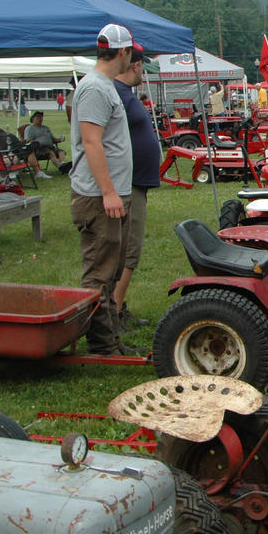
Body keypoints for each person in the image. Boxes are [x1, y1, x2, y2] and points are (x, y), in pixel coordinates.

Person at [69, 23, 136, 356]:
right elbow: (91, 141)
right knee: (99, 273)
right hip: (98, 198)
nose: (132, 59)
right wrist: (108, 192)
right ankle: (100, 345)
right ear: (122, 52)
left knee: (111, 270)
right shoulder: (94, 88)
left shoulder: (104, 85)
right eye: (131, 53)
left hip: (111, 195)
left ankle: (109, 341)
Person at [112, 44, 161, 333]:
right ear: (136, 65)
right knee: (129, 249)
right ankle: (114, 313)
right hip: (128, 184)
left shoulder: (124, 94)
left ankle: (117, 306)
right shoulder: (117, 94)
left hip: (135, 183)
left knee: (130, 249)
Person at [0, 111, 49, 179]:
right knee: (29, 150)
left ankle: (33, 170)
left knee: (29, 146)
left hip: (11, 147)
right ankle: (38, 172)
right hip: (7, 151)